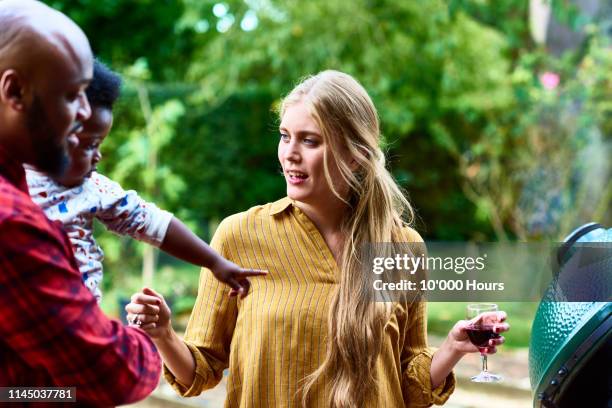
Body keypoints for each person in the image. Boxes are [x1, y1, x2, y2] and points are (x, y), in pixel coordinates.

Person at [126, 70, 510, 407]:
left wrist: (455, 348)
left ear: (355, 155)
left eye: (310, 141)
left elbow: (408, 387)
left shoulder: (402, 248)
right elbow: (201, 370)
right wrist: (162, 334)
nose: (289, 154)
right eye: (285, 136)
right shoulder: (239, 235)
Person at [0, 1, 159, 405]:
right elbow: (112, 373)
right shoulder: (11, 223)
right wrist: (148, 339)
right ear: (14, 91)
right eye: (72, 96)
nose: (85, 113)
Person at [26, 59, 266, 303]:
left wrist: (214, 262)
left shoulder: (92, 188)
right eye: (89, 145)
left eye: (99, 144)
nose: (98, 155)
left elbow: (154, 223)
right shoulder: (11, 184)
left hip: (82, 322)